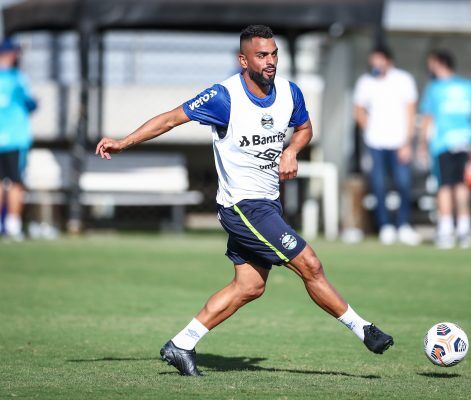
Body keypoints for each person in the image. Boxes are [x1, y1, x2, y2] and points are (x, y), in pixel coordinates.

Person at [96, 25, 393, 377]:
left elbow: (305, 128)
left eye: (274, 54)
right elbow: (171, 119)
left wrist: (293, 151)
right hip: (242, 206)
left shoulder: (289, 92)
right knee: (310, 264)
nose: (270, 62)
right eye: (261, 55)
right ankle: (364, 329)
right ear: (243, 60)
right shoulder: (224, 97)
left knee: (249, 286)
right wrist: (123, 142)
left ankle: (181, 344)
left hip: (268, 204)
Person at [420, 49, 471, 249]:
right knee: (461, 185)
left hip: (443, 142)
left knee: (445, 186)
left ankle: (445, 231)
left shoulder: (434, 88)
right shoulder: (468, 85)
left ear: (438, 63)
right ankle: (464, 230)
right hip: (465, 140)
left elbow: (427, 118)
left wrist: (422, 144)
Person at [353, 46, 421, 246]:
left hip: (399, 142)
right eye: (373, 60)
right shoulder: (365, 82)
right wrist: (370, 129)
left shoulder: (403, 80)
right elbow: (358, 110)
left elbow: (410, 111)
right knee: (379, 185)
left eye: (379, 60)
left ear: (388, 60)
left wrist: (407, 142)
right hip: (376, 143)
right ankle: (385, 226)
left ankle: (403, 224)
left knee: (403, 184)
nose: (376, 64)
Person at [0, 37, 37, 240]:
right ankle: (13, 225)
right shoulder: (17, 78)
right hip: (15, 137)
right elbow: (30, 103)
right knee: (15, 182)